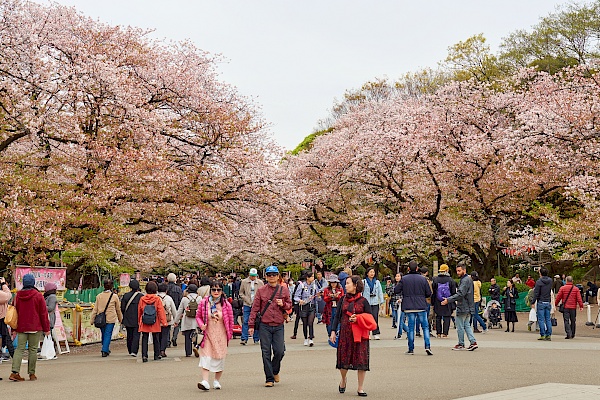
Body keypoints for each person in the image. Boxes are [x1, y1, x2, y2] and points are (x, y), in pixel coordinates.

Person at [330, 275, 374, 397]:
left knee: (361, 361)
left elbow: (370, 318)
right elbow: (337, 317)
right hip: (345, 334)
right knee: (343, 361)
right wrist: (333, 331)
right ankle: (343, 379)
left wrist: (359, 318)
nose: (346, 285)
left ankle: (360, 388)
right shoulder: (342, 299)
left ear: (355, 285)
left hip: (360, 335)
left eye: (348, 283)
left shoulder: (364, 301)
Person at [248, 265, 292, 387]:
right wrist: (251, 325)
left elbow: (289, 305)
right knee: (265, 352)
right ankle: (269, 378)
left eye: (274, 275)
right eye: (269, 275)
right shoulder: (261, 290)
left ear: (278, 276)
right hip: (265, 325)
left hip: (278, 324)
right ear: (266, 277)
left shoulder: (284, 290)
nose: (272, 277)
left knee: (280, 351)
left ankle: (275, 370)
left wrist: (283, 304)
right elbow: (255, 308)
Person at [9, 274, 50, 381]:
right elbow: (43, 313)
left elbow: (14, 313)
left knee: (19, 349)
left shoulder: (17, 296)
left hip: (21, 326)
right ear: (33, 283)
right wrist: (46, 329)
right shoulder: (38, 295)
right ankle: (32, 374)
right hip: (35, 326)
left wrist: (13, 329)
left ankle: (14, 372)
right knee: (33, 350)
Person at [196, 280, 234, 391]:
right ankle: (205, 381)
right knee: (206, 357)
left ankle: (216, 380)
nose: (216, 292)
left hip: (221, 334)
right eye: (214, 289)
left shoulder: (226, 304)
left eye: (218, 289)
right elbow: (198, 316)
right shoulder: (204, 302)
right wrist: (201, 325)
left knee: (220, 357)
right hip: (207, 333)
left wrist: (229, 334)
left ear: (222, 291)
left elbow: (231, 321)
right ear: (210, 290)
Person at [394, 261, 433, 355]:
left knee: (411, 327)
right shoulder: (423, 279)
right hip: (421, 305)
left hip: (409, 305)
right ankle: (427, 346)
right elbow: (428, 293)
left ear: (408, 269)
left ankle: (411, 348)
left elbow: (396, 290)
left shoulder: (404, 279)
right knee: (425, 327)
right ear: (417, 268)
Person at [441, 264, 478, 351]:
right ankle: (473, 342)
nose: (457, 272)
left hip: (463, 306)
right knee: (466, 325)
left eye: (459, 271)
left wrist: (448, 300)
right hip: (469, 305)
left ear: (464, 270)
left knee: (460, 326)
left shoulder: (464, 281)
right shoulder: (468, 279)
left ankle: (461, 343)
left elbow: (460, 294)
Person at [90, 278, 123, 357]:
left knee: (104, 334)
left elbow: (95, 309)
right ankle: (104, 350)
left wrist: (92, 319)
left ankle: (106, 348)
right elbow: (118, 309)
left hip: (101, 318)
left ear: (103, 286)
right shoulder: (114, 296)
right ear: (111, 286)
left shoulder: (99, 296)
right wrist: (120, 319)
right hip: (110, 318)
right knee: (108, 334)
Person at [138, 281, 168, 362]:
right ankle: (156, 354)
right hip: (155, 320)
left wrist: (139, 321)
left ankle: (144, 355)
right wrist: (164, 321)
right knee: (156, 338)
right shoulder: (157, 299)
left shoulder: (142, 299)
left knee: (145, 338)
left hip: (145, 320)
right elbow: (160, 311)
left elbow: (140, 311)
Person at [174, 284, 201, 357]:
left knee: (187, 336)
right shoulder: (199, 298)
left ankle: (188, 352)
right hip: (196, 320)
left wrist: (176, 321)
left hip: (187, 320)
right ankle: (196, 347)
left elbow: (180, 311)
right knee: (196, 335)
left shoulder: (184, 299)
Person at [239, 268, 264, 345]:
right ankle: (244, 338)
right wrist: (246, 299)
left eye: (254, 276)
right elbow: (241, 293)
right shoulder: (244, 282)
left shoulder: (260, 282)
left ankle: (256, 338)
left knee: (256, 322)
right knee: (246, 321)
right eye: (251, 276)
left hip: (257, 305)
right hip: (247, 304)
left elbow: (263, 293)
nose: (253, 277)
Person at [432, 264, 456, 338]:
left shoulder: (435, 279)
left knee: (438, 317)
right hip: (448, 301)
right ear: (447, 270)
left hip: (438, 301)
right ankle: (445, 333)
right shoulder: (451, 280)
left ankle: (438, 333)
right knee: (447, 317)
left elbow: (433, 292)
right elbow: (453, 292)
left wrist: (433, 303)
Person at [294, 271, 318, 346]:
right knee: (305, 323)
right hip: (304, 306)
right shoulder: (302, 285)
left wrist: (319, 295)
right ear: (307, 277)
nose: (313, 278)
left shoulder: (314, 286)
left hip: (312, 306)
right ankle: (305, 338)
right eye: (312, 277)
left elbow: (317, 296)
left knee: (310, 322)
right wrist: (299, 300)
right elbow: (296, 296)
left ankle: (311, 338)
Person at [121, 279, 143, 357]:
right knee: (136, 335)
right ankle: (134, 351)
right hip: (138, 318)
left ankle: (130, 349)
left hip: (128, 318)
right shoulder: (141, 296)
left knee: (129, 334)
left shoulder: (126, 296)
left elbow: (122, 308)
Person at [531, 267, 553, 341]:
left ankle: (542, 334)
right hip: (548, 301)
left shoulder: (539, 282)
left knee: (541, 319)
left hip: (541, 301)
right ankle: (549, 334)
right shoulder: (550, 281)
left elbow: (536, 293)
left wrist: (533, 302)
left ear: (540, 273)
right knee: (548, 319)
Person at [362, 267, 384, 340]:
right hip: (366, 302)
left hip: (375, 302)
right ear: (367, 273)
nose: (372, 273)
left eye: (373, 272)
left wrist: (382, 302)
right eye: (370, 272)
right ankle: (367, 333)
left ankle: (376, 333)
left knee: (375, 318)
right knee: (367, 319)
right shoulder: (363, 282)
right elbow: (361, 292)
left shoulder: (377, 282)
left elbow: (380, 292)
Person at [157, 283, 177, 358]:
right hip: (167, 320)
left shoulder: (156, 297)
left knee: (158, 335)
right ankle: (163, 350)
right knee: (165, 335)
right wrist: (176, 320)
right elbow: (174, 310)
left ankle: (158, 350)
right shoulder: (169, 298)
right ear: (166, 290)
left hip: (157, 319)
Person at [166, 272, 183, 347]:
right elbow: (180, 299)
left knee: (167, 324)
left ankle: (167, 341)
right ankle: (174, 337)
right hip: (176, 308)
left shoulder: (165, 287)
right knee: (177, 323)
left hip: (167, 309)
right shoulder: (178, 288)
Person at [0, 277, 14, 363]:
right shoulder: (1, 293)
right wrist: (3, 284)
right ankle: (13, 355)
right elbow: (8, 296)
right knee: (6, 336)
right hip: (1, 317)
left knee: (6, 337)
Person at [43, 282, 58, 356]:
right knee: (48, 334)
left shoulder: (52, 297)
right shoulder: (49, 296)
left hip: (50, 317)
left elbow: (51, 307)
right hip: (47, 317)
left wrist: (41, 307)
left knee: (49, 334)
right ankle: (50, 350)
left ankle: (52, 350)